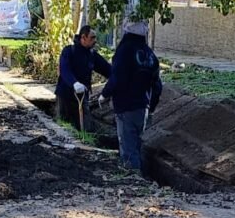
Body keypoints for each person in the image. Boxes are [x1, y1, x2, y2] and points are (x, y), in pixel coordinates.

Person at [99, 21, 162, 172]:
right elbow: (157, 86)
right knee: (136, 144)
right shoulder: (150, 55)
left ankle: (134, 180)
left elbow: (117, 77)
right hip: (143, 107)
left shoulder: (124, 51)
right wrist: (151, 108)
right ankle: (141, 175)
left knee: (127, 146)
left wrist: (105, 94)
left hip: (126, 106)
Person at [56, 24, 112, 130]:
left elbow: (107, 69)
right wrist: (74, 83)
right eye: (92, 38)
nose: (95, 40)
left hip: (82, 97)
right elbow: (65, 70)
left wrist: (119, 77)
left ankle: (84, 142)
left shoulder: (92, 55)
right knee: (65, 126)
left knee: (84, 127)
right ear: (83, 37)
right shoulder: (68, 51)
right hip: (66, 96)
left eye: (95, 38)